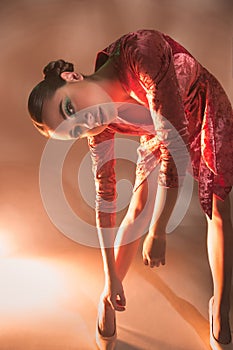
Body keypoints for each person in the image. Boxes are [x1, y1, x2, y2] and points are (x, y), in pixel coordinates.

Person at [28, 29, 233, 350]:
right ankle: (109, 297)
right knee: (136, 205)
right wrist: (109, 279)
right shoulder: (98, 126)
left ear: (71, 76)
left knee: (219, 210)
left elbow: (174, 149)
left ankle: (221, 310)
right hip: (160, 127)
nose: (86, 121)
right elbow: (105, 199)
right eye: (76, 130)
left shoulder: (142, 51)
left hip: (202, 109)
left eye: (70, 108)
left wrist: (159, 229)